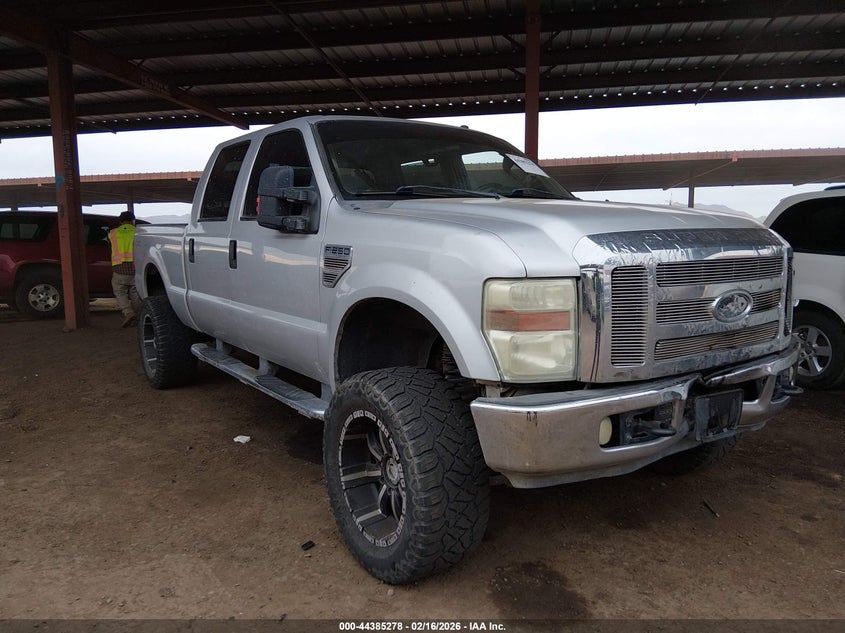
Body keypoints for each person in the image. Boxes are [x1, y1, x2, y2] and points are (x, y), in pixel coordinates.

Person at [108, 211, 139, 328]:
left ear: (120, 221)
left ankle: (128, 312)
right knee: (135, 292)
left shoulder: (113, 233)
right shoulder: (137, 232)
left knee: (119, 291)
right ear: (133, 220)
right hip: (135, 267)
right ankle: (139, 314)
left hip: (119, 268)